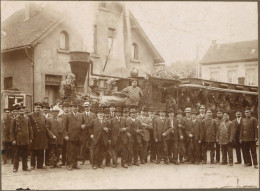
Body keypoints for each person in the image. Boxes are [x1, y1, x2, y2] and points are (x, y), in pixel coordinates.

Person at [28, 102, 54, 169]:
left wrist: (50, 135)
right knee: (33, 151)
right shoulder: (30, 115)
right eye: (37, 107)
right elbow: (28, 126)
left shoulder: (43, 116)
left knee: (41, 151)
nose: (38, 109)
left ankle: (40, 165)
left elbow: (45, 126)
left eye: (39, 108)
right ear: (34, 108)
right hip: (34, 136)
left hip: (42, 136)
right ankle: (32, 165)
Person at [62, 101, 85, 170]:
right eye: (73, 107)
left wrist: (84, 125)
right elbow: (64, 127)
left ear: (78, 108)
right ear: (71, 108)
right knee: (70, 151)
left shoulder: (81, 115)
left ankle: (75, 164)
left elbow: (84, 123)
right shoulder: (67, 115)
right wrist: (65, 135)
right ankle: (70, 164)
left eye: (76, 107)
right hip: (70, 136)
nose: (75, 108)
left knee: (76, 151)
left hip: (78, 136)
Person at [10, 106, 33, 172]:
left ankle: (25, 167)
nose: (21, 112)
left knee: (25, 155)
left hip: (25, 139)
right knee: (16, 155)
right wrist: (13, 139)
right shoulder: (15, 119)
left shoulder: (27, 118)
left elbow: (30, 129)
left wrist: (30, 138)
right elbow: (12, 131)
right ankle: (15, 168)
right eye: (20, 111)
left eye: (22, 111)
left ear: (24, 111)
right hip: (18, 140)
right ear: (18, 112)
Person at [60, 102, 70, 166]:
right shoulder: (60, 116)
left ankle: (69, 161)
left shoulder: (71, 115)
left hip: (70, 134)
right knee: (63, 149)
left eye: (68, 108)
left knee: (69, 149)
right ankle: (63, 161)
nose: (66, 109)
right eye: (65, 108)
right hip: (62, 135)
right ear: (63, 108)